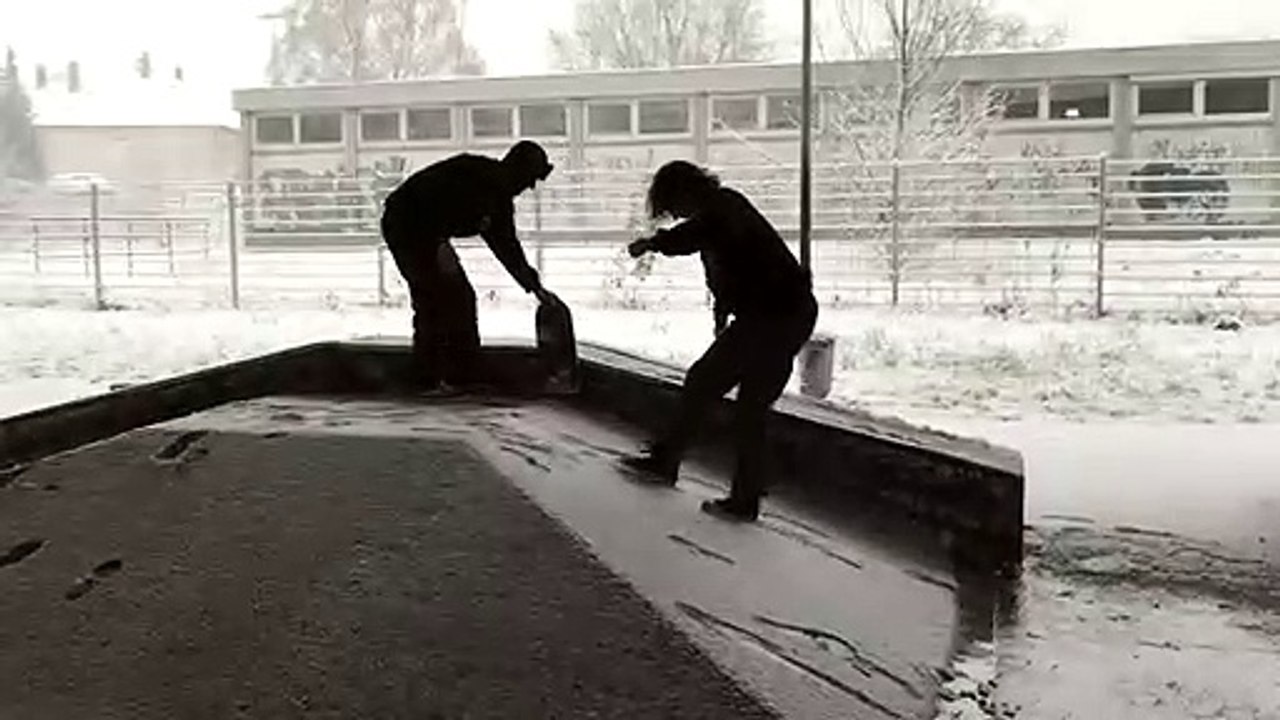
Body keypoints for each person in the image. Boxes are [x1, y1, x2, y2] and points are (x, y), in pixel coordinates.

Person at [621, 160, 818, 522]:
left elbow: (697, 237)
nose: (676, 215)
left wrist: (653, 243)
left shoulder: (724, 207)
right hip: (773, 314)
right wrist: (723, 316)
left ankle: (691, 472)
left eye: (673, 206)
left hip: (777, 315)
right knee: (736, 399)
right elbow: (730, 271)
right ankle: (735, 491)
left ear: (686, 190)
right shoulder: (720, 214)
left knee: (722, 392)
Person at [379, 140, 558, 390]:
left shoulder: (498, 202)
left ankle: (458, 373)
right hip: (406, 224)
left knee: (458, 297)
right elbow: (426, 200)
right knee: (434, 299)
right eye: (529, 178)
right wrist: (438, 244)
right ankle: (429, 378)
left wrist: (532, 285)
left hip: (427, 232)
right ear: (516, 170)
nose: (529, 186)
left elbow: (507, 246)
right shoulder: (474, 176)